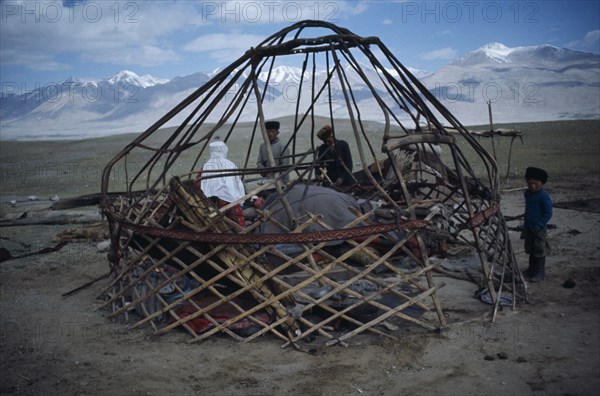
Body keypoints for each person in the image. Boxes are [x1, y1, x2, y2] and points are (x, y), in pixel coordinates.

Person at [198, 140, 246, 226]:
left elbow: (198, 185)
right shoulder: (230, 165)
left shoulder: (205, 167)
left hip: (211, 204)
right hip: (231, 202)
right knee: (235, 220)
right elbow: (238, 184)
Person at [521, 166, 553, 282]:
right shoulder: (528, 194)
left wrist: (539, 224)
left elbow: (548, 213)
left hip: (539, 228)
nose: (533, 186)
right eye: (530, 183)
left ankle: (540, 272)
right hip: (529, 226)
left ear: (542, 183)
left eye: (536, 183)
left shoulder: (544, 197)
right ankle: (531, 269)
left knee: (539, 249)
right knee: (531, 248)